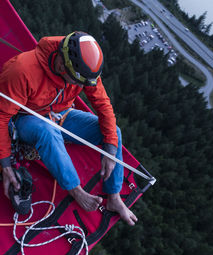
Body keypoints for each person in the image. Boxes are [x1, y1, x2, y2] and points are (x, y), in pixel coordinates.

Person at [0, 31, 138, 226]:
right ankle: (76, 191)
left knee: (112, 132)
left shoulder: (83, 69)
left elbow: (102, 104)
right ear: (61, 65)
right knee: (47, 131)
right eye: (76, 81)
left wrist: (110, 149)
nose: (79, 86)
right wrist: (5, 165)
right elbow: (2, 117)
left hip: (61, 115)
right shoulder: (21, 70)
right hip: (27, 120)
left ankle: (114, 197)